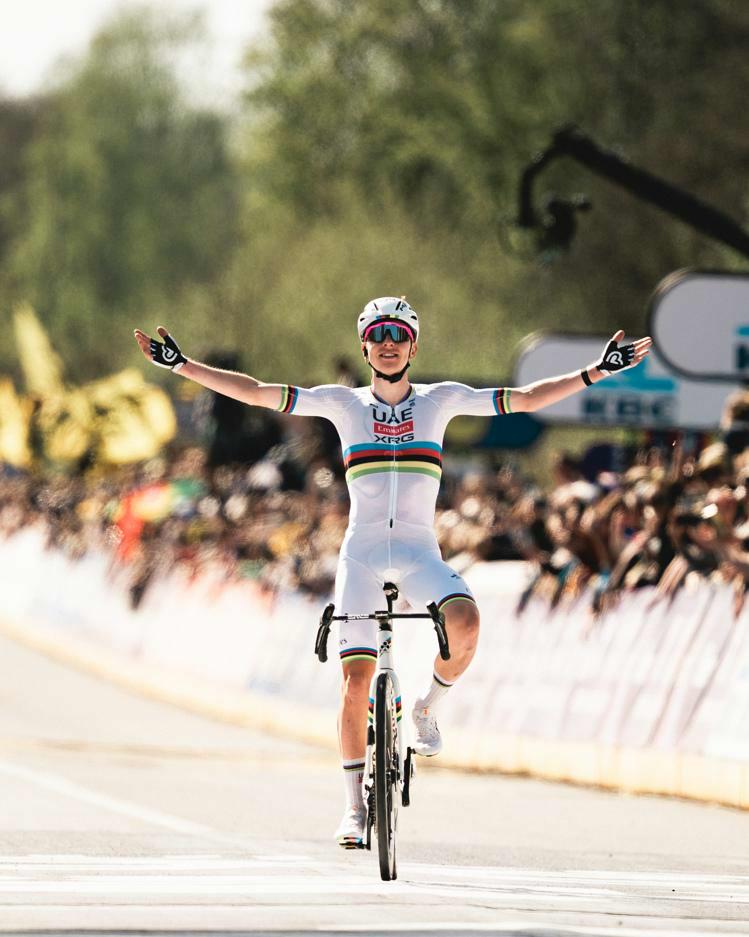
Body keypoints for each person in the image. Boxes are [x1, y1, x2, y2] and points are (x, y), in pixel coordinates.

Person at [134, 298, 652, 847]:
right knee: (356, 684)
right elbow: (259, 392)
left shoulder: (440, 401)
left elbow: (524, 399)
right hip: (361, 556)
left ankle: (426, 707)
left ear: (413, 345)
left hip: (418, 553)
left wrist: (597, 372)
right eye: (378, 334)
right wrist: (182, 365)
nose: (388, 343)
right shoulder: (343, 404)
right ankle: (354, 809)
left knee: (466, 624)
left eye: (398, 334)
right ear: (365, 347)